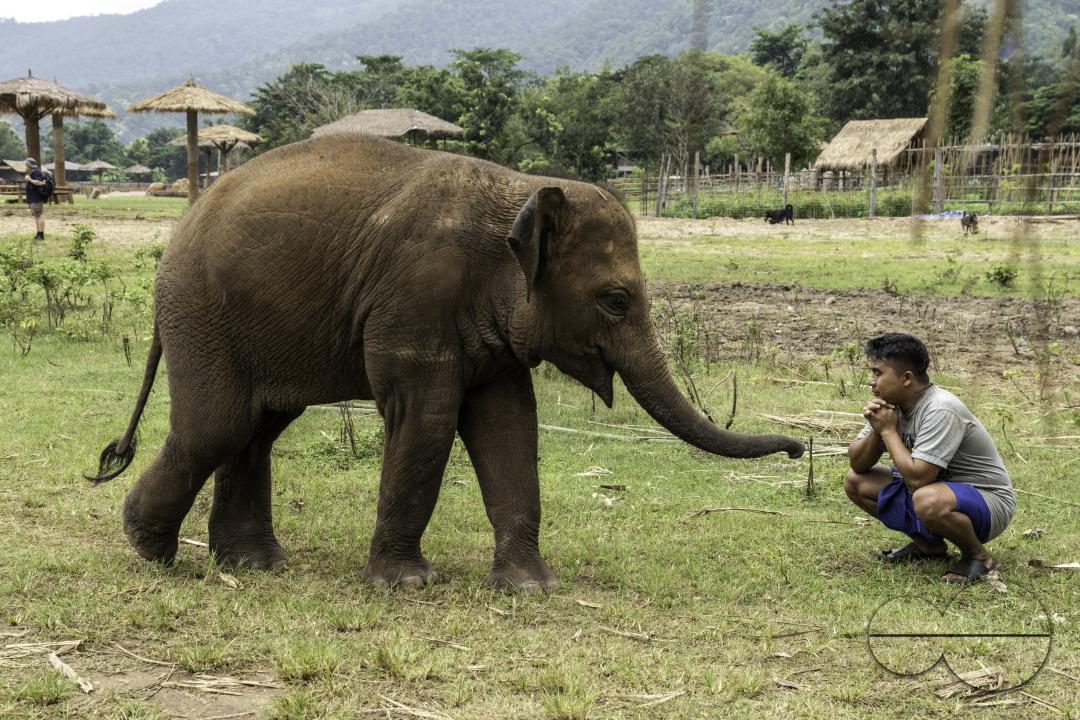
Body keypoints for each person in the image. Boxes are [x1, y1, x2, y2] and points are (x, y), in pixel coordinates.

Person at [843, 333, 1015, 585]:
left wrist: (889, 432)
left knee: (927, 498)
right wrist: (878, 430)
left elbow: (919, 478)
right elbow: (858, 465)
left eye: (878, 373)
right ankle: (928, 546)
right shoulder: (891, 406)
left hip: (987, 502)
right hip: (933, 494)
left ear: (907, 379)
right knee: (856, 482)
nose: (871, 381)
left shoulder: (940, 408)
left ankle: (978, 556)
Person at [23, 157, 47, 241]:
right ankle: (38, 234)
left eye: (26, 165)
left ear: (29, 165)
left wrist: (29, 179)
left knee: (39, 215)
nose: (25, 167)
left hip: (37, 198)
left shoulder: (36, 173)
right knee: (36, 216)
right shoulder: (33, 173)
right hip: (33, 198)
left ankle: (41, 235)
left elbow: (40, 183)